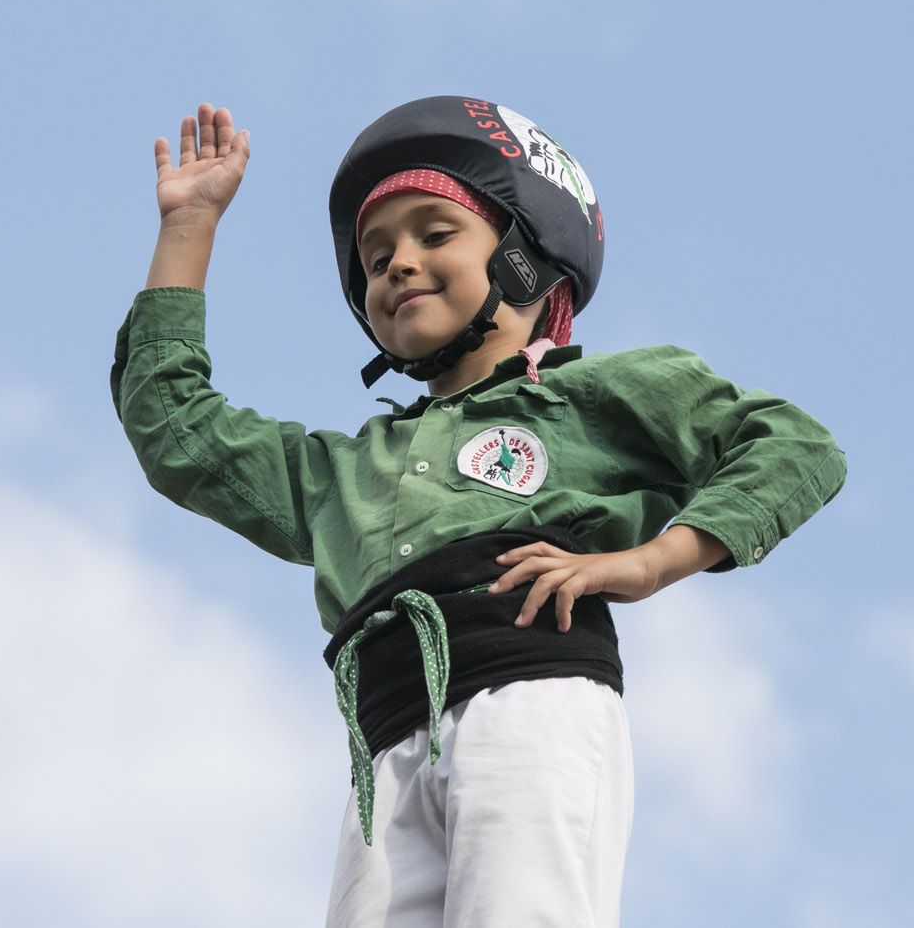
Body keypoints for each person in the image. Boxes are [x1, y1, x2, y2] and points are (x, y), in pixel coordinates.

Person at [110, 97, 846, 927]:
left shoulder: (589, 394)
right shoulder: (342, 472)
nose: (396, 263)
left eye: (434, 232)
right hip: (383, 747)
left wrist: (647, 561)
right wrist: (190, 226)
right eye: (376, 252)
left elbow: (793, 444)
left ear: (527, 260)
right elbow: (176, 430)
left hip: (528, 701)